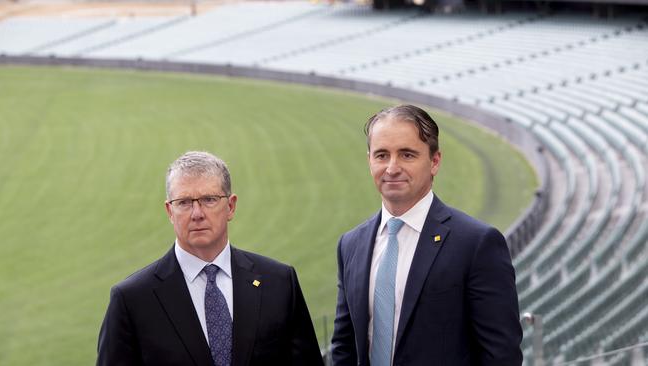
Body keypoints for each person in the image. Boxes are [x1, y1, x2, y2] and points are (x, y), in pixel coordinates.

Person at [331, 105, 523, 366]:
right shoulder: (351, 245)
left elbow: (501, 355)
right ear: (369, 161)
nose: (392, 168)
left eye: (407, 155)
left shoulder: (476, 244)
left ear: (434, 162)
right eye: (382, 155)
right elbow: (344, 347)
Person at [97, 151, 323, 366]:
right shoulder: (132, 299)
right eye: (184, 202)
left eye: (209, 199)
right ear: (169, 211)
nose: (197, 213)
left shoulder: (280, 283)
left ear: (231, 206)